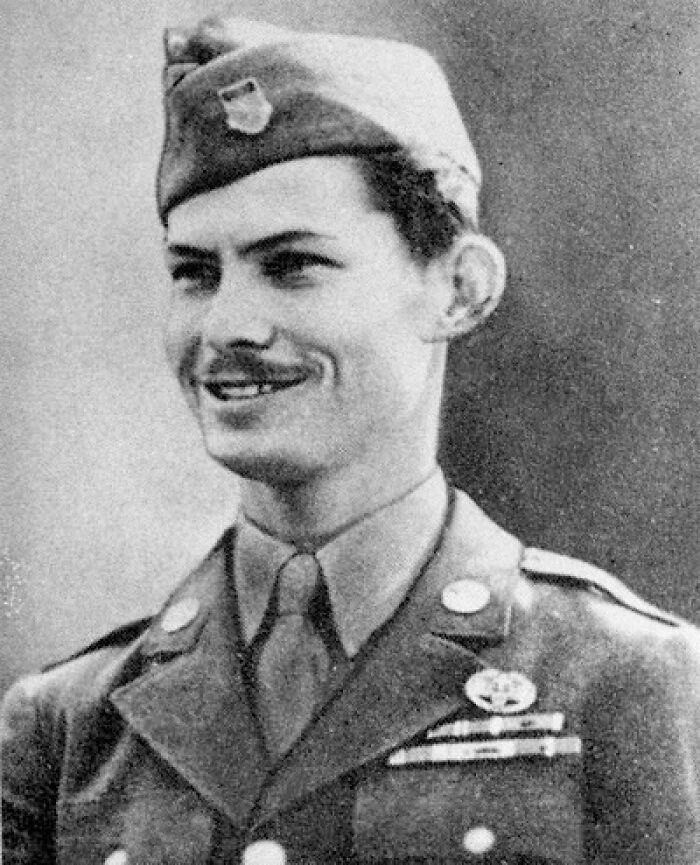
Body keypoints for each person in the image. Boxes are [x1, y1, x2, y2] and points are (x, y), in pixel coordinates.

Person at [2, 15, 699, 865]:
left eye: (293, 265)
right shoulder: (69, 726)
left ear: (460, 289)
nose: (228, 325)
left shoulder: (622, 681)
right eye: (195, 273)